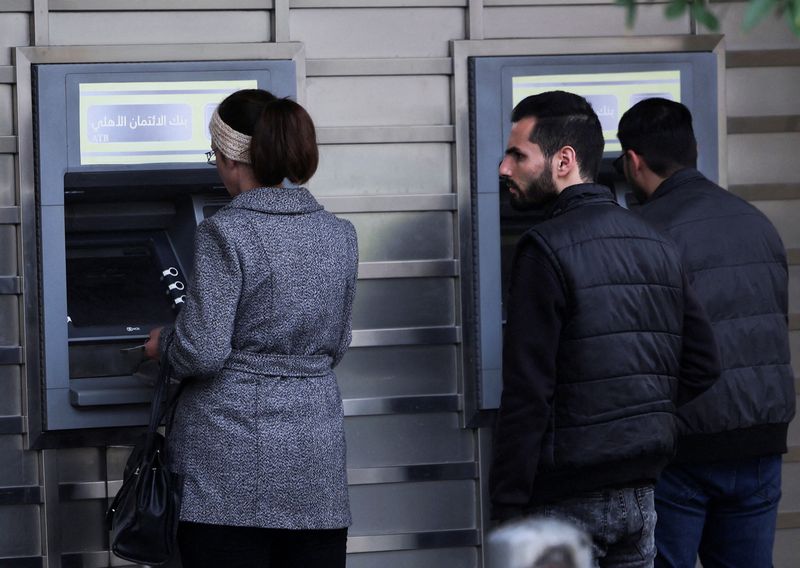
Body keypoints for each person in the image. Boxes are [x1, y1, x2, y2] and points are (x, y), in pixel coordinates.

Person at [489, 90, 721, 567]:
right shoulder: (656, 242)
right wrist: (636, 414)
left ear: (564, 160)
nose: (504, 169)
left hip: (562, 500)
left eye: (517, 154)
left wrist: (508, 505)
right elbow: (703, 363)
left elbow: (528, 393)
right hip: (640, 494)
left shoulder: (543, 249)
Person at [143, 89, 358, 568]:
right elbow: (337, 344)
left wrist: (165, 343)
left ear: (228, 158)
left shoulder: (226, 231)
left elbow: (202, 351)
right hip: (313, 468)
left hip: (227, 468)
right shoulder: (339, 233)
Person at [616, 98, 795, 568]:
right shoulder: (756, 222)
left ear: (632, 161)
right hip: (759, 439)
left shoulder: (642, 232)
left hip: (683, 446)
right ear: (693, 148)